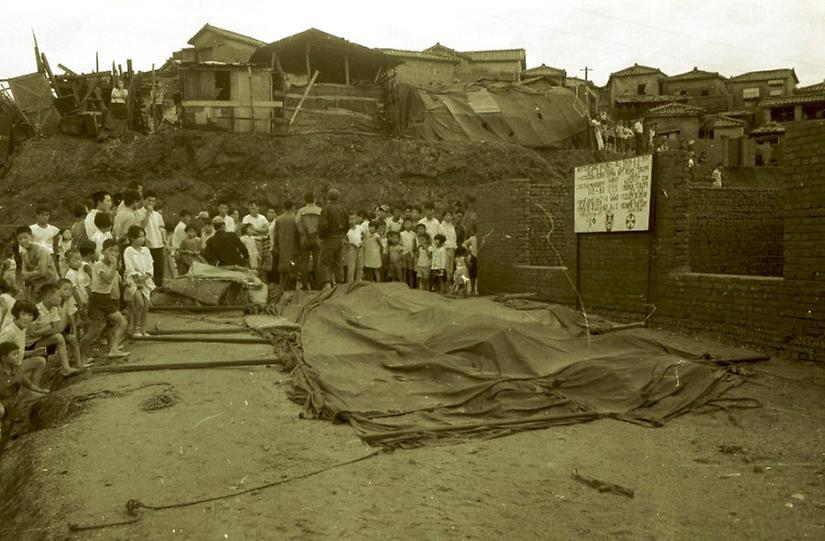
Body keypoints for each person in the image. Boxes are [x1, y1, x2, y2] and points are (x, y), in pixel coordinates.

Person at [81, 239, 128, 359]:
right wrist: (115, 266)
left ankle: (114, 348)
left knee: (122, 322)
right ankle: (80, 355)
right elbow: (107, 279)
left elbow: (113, 281)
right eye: (110, 250)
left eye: (116, 251)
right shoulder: (98, 265)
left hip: (107, 298)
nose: (113, 253)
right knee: (93, 330)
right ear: (103, 251)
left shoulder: (112, 265)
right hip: (97, 298)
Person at [27, 283, 82, 375]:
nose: (60, 299)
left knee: (58, 337)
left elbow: (57, 329)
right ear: (48, 297)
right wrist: (48, 328)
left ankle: (67, 368)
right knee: (58, 337)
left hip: (42, 339)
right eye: (58, 296)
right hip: (30, 344)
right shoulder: (36, 310)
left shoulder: (54, 309)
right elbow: (31, 333)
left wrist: (41, 331)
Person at [0, 340, 49, 439]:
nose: (18, 356)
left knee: (44, 398)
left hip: (15, 400)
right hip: (2, 402)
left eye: (18, 353)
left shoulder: (16, 369)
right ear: (4, 358)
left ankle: (14, 434)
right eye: (14, 354)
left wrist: (41, 391)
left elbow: (29, 385)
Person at [123, 226, 155, 337]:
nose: (142, 239)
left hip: (145, 280)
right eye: (139, 237)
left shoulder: (146, 250)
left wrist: (146, 276)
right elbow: (129, 267)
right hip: (133, 280)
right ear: (132, 238)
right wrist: (137, 279)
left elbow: (150, 264)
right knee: (139, 304)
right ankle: (135, 328)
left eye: (143, 236)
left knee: (146, 306)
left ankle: (143, 329)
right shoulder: (128, 251)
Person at [17, 226, 59, 301]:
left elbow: (42, 272)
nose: (23, 241)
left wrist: (28, 274)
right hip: (37, 285)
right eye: (20, 239)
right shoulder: (24, 254)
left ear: (32, 238)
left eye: (26, 237)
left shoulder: (40, 251)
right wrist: (28, 274)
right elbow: (23, 272)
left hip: (50, 284)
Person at [317, 188, 348, 288]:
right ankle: (339, 284)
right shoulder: (343, 209)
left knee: (324, 261)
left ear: (328, 197)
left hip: (330, 237)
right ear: (338, 197)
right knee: (338, 261)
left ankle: (326, 284)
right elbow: (348, 224)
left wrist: (322, 236)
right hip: (340, 237)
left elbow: (323, 226)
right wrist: (342, 234)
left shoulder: (326, 209)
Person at [295, 192, 322, 290]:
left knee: (304, 262)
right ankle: (318, 285)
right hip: (316, 237)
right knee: (317, 262)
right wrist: (318, 234)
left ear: (305, 200)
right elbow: (323, 224)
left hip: (305, 237)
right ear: (314, 199)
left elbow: (297, 222)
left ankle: (305, 285)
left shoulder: (301, 211)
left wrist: (303, 234)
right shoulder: (320, 211)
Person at [142, 190, 166, 286]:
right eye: (149, 200)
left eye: (153, 201)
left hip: (159, 246)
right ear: (144, 200)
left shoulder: (158, 215)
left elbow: (162, 229)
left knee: (159, 271)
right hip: (147, 247)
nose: (151, 203)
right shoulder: (139, 213)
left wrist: (165, 242)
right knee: (148, 271)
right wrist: (148, 212)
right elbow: (141, 227)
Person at [274, 201, 300, 290]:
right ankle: (291, 287)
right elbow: (299, 234)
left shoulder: (279, 219)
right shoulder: (296, 219)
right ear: (292, 207)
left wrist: (276, 246)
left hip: (282, 247)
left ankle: (283, 286)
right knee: (293, 268)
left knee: (282, 268)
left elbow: (275, 235)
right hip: (293, 247)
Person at [439, 211, 458, 287]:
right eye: (447, 215)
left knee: (450, 268)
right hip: (445, 249)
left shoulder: (452, 227)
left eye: (450, 215)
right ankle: (443, 286)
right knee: (445, 268)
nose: (448, 217)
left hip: (452, 249)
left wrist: (454, 247)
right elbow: (440, 238)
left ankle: (448, 286)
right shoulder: (441, 226)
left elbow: (454, 238)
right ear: (444, 216)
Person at [344, 213, 364, 283]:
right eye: (350, 219)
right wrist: (351, 243)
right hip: (352, 248)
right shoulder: (346, 230)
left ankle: (358, 282)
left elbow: (364, 236)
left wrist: (362, 242)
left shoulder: (359, 227)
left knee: (360, 266)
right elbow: (343, 240)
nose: (352, 221)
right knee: (351, 267)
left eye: (353, 219)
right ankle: (350, 283)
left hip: (360, 248)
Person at [400, 218, 417, 288]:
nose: (407, 225)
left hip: (411, 254)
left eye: (409, 223)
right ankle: (404, 286)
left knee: (410, 271)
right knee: (404, 270)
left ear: (412, 224)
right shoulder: (401, 234)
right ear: (403, 225)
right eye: (406, 223)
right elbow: (400, 244)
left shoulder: (414, 234)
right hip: (404, 254)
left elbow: (415, 245)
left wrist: (412, 251)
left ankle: (411, 286)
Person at [462, 225, 479, 295]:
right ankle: (472, 290)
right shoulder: (472, 238)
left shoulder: (479, 238)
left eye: (472, 230)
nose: (471, 232)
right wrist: (468, 250)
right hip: (474, 257)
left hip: (479, 257)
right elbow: (464, 244)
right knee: (472, 274)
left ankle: (476, 289)